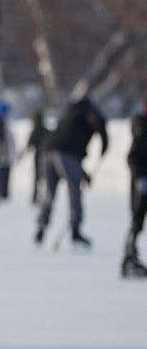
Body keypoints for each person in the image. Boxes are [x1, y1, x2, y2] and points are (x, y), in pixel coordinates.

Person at [34, 94, 108, 248]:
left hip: (47, 151)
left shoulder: (69, 114)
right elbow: (97, 122)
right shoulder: (88, 112)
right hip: (66, 153)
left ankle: (41, 228)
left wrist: (83, 174)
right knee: (74, 191)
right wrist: (105, 141)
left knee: (49, 192)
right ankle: (76, 231)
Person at [122, 98, 147, 278]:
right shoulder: (142, 128)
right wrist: (141, 179)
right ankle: (129, 257)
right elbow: (132, 157)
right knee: (137, 220)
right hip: (142, 185)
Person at [19, 109, 50, 205]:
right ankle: (46, 197)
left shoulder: (35, 131)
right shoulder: (46, 130)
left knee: (37, 178)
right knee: (47, 177)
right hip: (47, 157)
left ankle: (35, 197)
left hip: (38, 157)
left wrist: (23, 155)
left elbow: (29, 144)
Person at [0, 101, 15, 203]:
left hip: (7, 157)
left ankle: (5, 194)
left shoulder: (7, 126)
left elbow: (11, 143)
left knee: (6, 176)